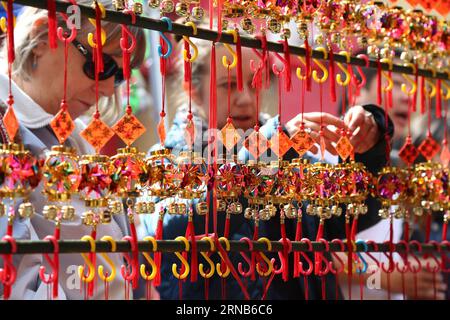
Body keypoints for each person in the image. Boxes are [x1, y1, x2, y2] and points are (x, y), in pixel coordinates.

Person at [142, 32, 394, 300]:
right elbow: (167, 230)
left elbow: (347, 216)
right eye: (229, 85)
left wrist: (369, 148)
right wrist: (269, 150)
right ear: (192, 88)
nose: (246, 100)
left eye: (255, 84)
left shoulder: (284, 151)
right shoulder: (167, 159)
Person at [0, 1, 149, 299]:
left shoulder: (77, 135)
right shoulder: (5, 132)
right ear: (43, 39)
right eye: (99, 65)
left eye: (119, 75)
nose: (109, 89)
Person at [334, 62, 447, 300]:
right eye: (395, 84)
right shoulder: (320, 155)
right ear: (357, 89)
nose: (408, 97)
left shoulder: (391, 166)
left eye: (412, 87)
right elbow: (312, 253)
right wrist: (388, 279)